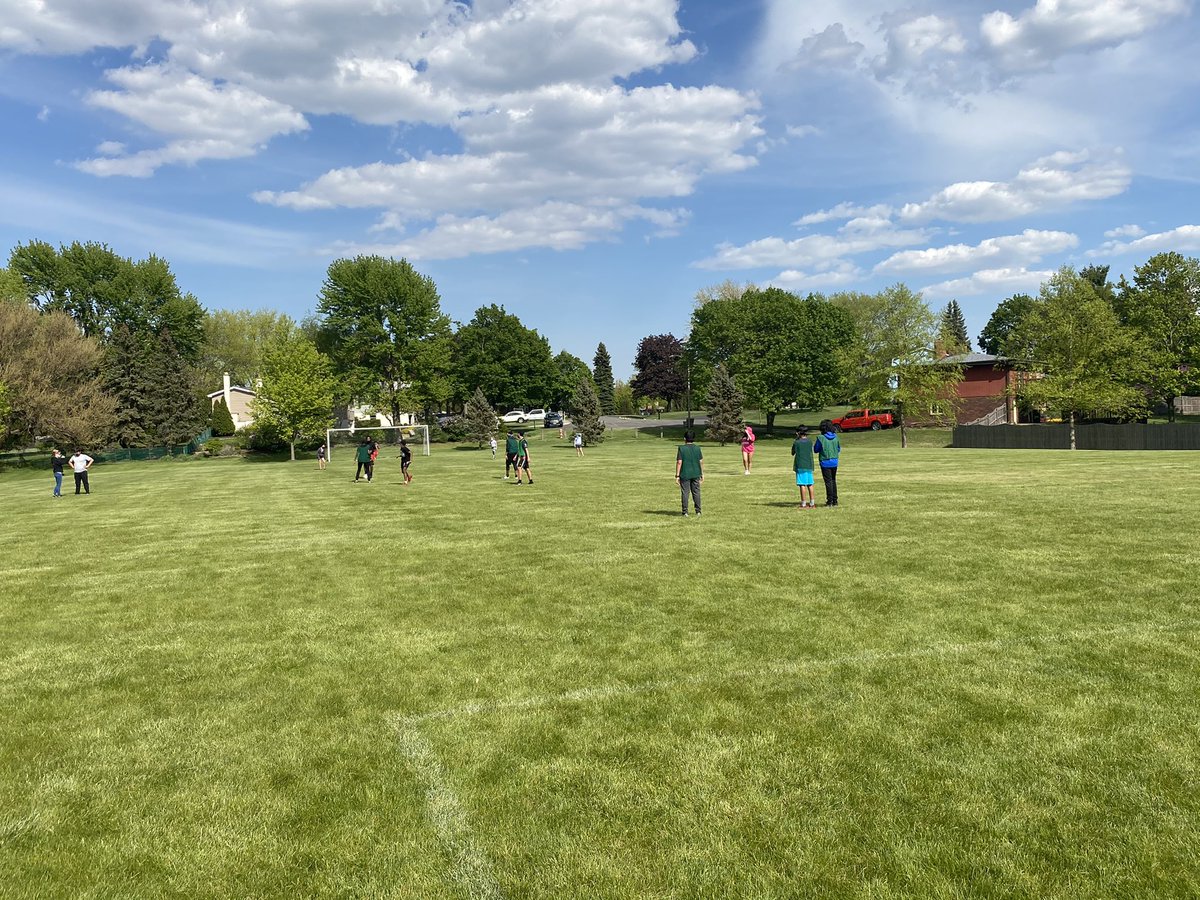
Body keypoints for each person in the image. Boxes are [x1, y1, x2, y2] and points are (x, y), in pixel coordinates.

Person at [675, 429, 703, 517]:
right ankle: (698, 511)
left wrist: (677, 475)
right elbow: (701, 461)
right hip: (696, 473)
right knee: (696, 492)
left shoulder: (681, 448)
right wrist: (702, 474)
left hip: (685, 474)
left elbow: (679, 462)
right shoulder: (697, 448)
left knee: (685, 493)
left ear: (684, 438)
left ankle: (685, 512)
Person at [814, 419, 841, 507]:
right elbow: (838, 449)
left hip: (825, 462)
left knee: (828, 482)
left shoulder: (821, 438)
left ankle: (830, 501)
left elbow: (816, 449)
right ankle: (835, 500)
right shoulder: (836, 437)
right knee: (833, 480)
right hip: (834, 461)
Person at [790, 427, 815, 509]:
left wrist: (796, 440)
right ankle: (812, 503)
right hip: (809, 465)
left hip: (800, 465)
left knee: (802, 484)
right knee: (810, 484)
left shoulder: (797, 442)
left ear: (799, 433)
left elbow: (793, 452)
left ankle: (803, 503)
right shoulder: (810, 442)